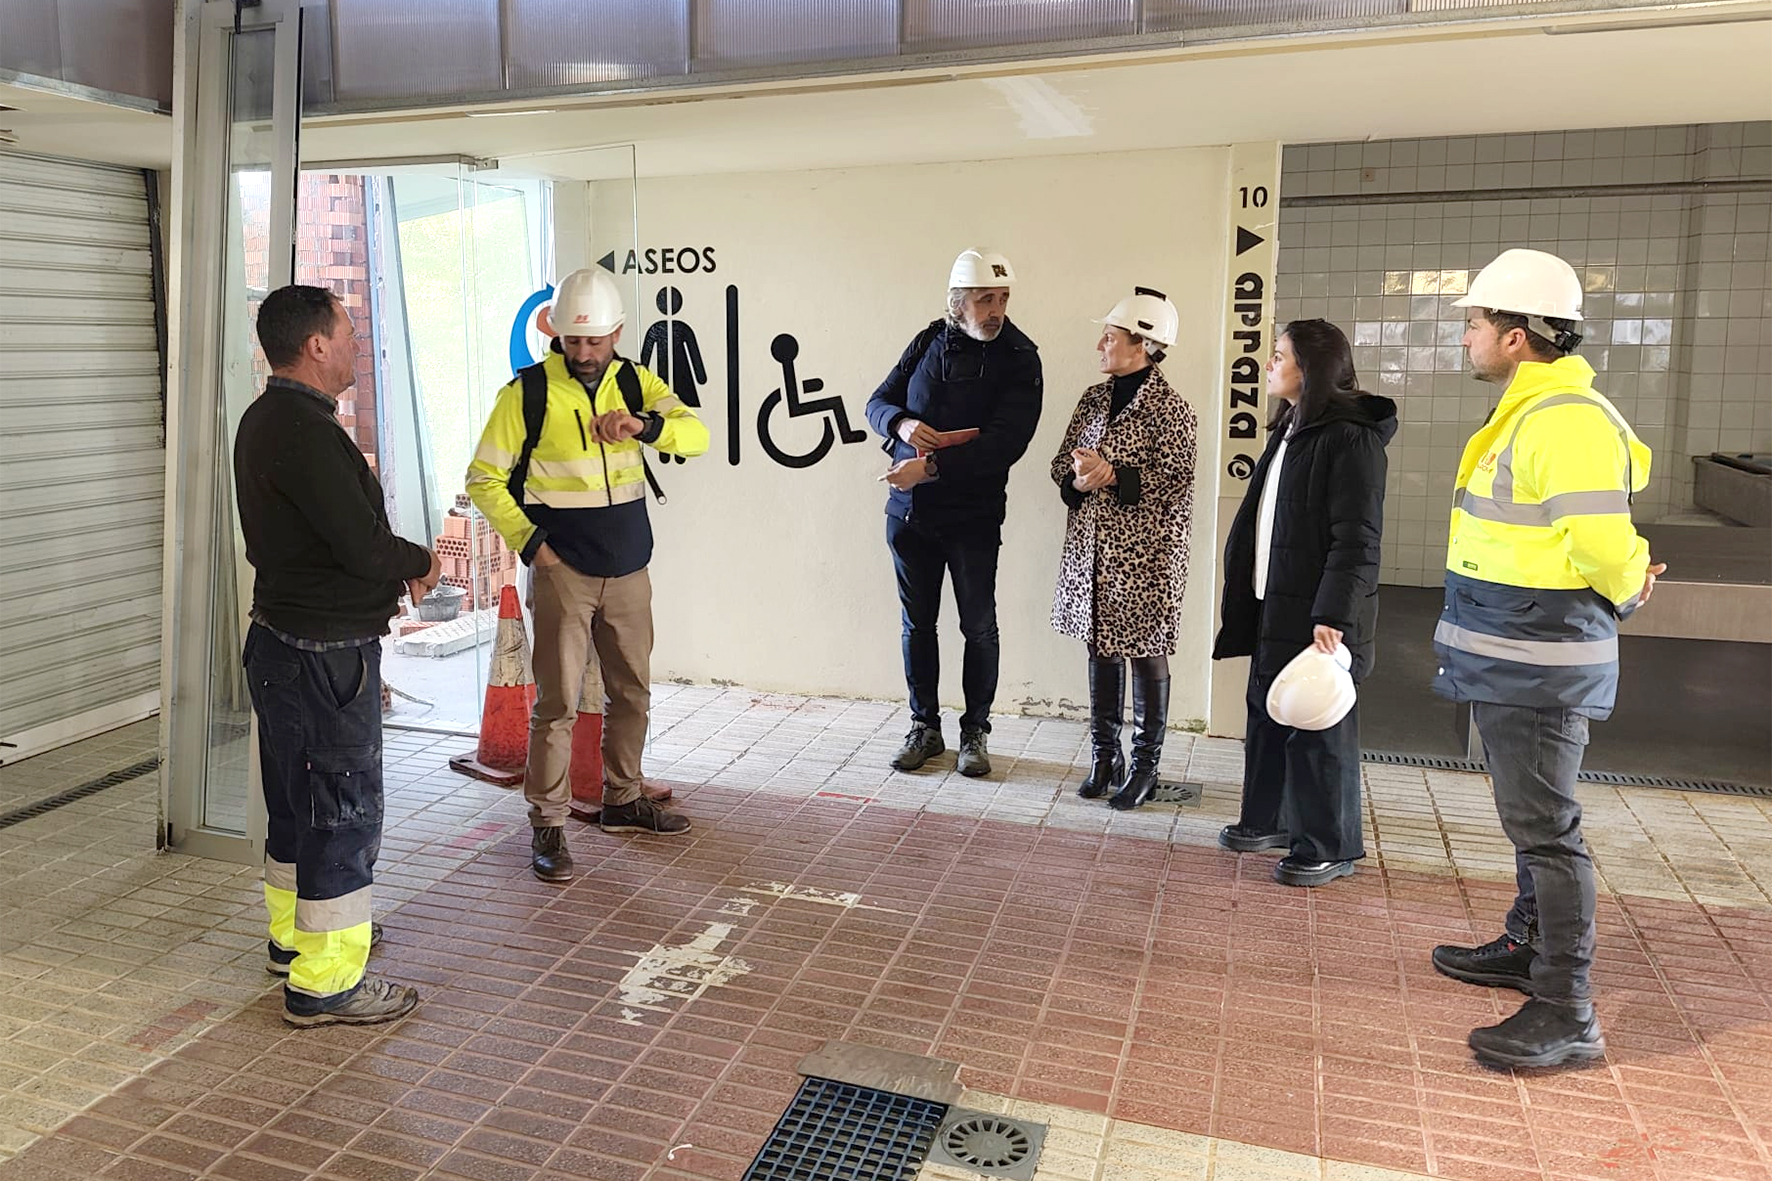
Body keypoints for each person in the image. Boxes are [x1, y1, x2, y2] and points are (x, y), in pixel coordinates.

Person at [1429, 248, 1662, 1069]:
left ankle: (1566, 1007)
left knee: (1548, 831)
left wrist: (1630, 581)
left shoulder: (1562, 419)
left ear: (1518, 336)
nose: (1466, 338)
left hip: (1539, 666)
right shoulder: (1535, 413)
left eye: (1475, 324)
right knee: (1531, 822)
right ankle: (1529, 947)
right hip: (1515, 659)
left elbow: (1601, 541)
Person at [235, 284, 440, 1027]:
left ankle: (295, 940)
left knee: (296, 803)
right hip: (324, 656)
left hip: (280, 642)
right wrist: (420, 559)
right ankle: (328, 982)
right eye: (348, 332)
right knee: (343, 812)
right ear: (316, 344)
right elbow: (361, 546)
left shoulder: (265, 419)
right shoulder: (306, 431)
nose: (357, 344)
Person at [467, 268, 709, 883]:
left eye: (595, 342)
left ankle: (624, 800)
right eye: (574, 342)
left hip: (629, 564)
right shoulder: (526, 394)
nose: (583, 353)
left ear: (617, 334)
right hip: (563, 571)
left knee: (633, 692)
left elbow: (697, 434)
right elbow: (483, 480)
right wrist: (533, 546)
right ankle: (546, 826)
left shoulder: (636, 383)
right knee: (556, 706)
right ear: (557, 334)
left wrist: (643, 426)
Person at [1211, 320, 1396, 885]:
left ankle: (1328, 845)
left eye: (1279, 356)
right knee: (1269, 710)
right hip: (1276, 599)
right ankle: (1267, 819)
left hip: (1319, 613)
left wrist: (1334, 616)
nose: (1269, 365)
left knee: (1319, 723)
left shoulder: (1351, 437)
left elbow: (1357, 538)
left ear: (1309, 370)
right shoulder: (1293, 426)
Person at [866, 248, 1043, 778]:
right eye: (985, 298)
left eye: (1003, 298)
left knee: (978, 625)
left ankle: (975, 733)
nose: (996, 309)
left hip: (973, 515)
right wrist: (899, 425)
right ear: (957, 300)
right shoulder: (927, 340)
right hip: (909, 513)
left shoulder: (1020, 357)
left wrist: (933, 469)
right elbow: (877, 401)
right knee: (916, 623)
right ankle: (925, 727)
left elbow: (1004, 444)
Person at [1052, 289, 1198, 811]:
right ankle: (1104, 757)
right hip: (1092, 552)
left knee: (1147, 652)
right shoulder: (1093, 399)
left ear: (1142, 344)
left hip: (1148, 558)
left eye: (1110, 337)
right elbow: (1059, 465)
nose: (1100, 345)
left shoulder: (1171, 408)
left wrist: (1114, 475)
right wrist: (1078, 478)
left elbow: (1177, 481)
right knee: (1099, 646)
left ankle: (1145, 768)